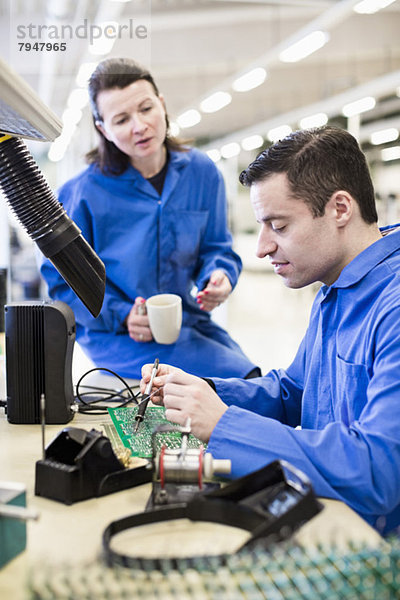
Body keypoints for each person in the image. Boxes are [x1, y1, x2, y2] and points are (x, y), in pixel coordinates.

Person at [141, 125, 400, 535]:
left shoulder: (394, 306)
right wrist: (204, 394)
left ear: (340, 209)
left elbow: (379, 470)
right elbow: (294, 392)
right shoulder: (338, 287)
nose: (261, 247)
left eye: (278, 226)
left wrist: (223, 425)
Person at [40, 57, 259, 380]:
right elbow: (62, 283)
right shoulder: (81, 194)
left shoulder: (201, 173)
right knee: (241, 380)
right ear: (104, 129)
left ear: (162, 104)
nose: (139, 126)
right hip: (116, 334)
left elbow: (217, 248)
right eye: (121, 119)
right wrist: (124, 315)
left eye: (146, 109)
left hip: (185, 321)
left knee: (255, 380)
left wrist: (220, 276)